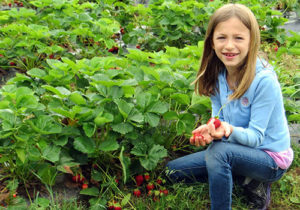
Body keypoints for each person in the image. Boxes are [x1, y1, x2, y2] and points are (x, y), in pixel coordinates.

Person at [165, 3, 293, 210]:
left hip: (269, 158)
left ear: (252, 41)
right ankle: (245, 178)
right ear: (212, 43)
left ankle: (240, 191)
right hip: (237, 149)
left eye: (239, 38)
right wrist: (211, 131)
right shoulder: (217, 76)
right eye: (222, 37)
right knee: (173, 172)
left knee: (219, 152)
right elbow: (219, 121)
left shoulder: (263, 81)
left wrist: (228, 131)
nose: (229, 46)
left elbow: (256, 137)